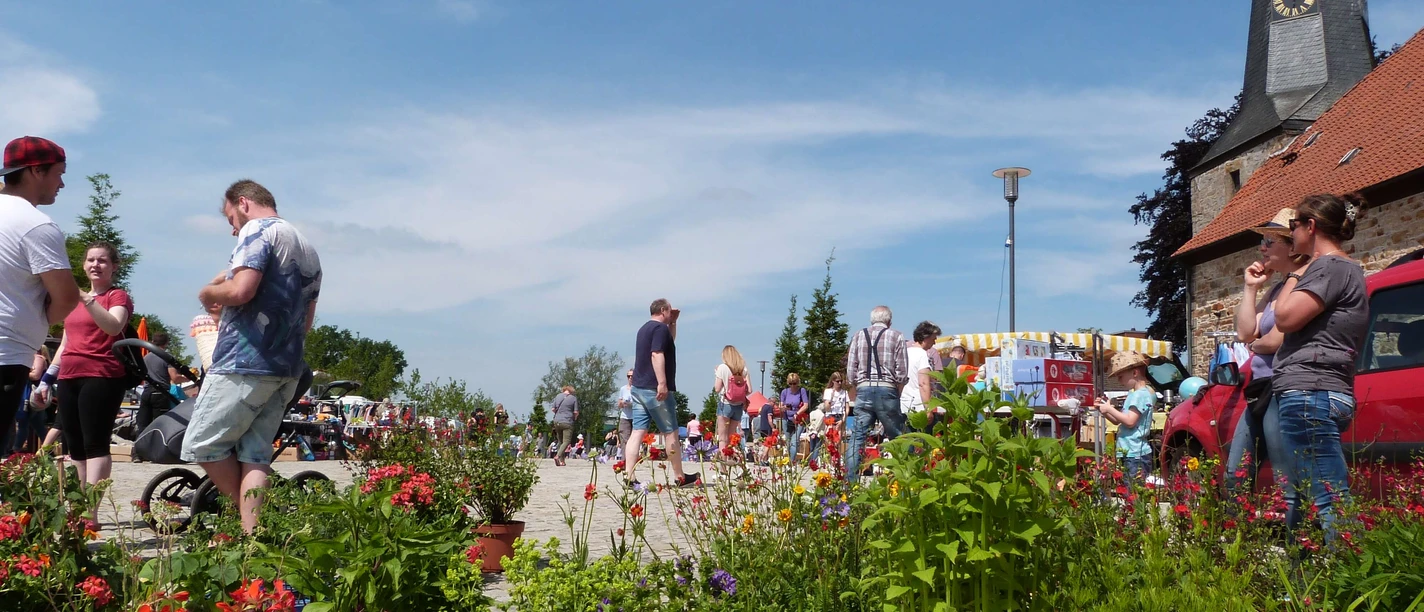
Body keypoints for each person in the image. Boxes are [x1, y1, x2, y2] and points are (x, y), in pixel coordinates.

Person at [180, 179, 322, 534]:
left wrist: (208, 292)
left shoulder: (258, 229)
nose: (233, 229)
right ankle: (254, 537)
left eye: (231, 218)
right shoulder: (308, 248)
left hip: (243, 364)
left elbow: (241, 291)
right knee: (255, 455)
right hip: (286, 366)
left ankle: (248, 520)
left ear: (243, 203)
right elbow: (306, 323)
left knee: (203, 444)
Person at [1272, 193, 1369, 539]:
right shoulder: (1348, 269)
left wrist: (1295, 274)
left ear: (1310, 227)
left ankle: (1349, 584)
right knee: (1325, 493)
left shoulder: (1328, 267)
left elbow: (1284, 317)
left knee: (1330, 499)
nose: (1291, 232)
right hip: (1328, 390)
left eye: (1294, 225)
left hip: (1310, 390)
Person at [0, 136, 81, 456]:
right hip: (6, 354)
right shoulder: (36, 225)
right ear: (36, 171)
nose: (61, 183)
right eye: (59, 173)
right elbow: (66, 298)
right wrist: (35, 320)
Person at [34, 242, 133, 487]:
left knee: (95, 443)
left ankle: (92, 510)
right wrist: (47, 379)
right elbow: (67, 342)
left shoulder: (116, 296)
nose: (95, 265)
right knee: (74, 444)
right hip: (68, 376)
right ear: (84, 265)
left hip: (101, 375)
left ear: (114, 267)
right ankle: (80, 504)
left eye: (102, 261)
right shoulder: (73, 302)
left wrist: (87, 299)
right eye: (91, 260)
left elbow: (113, 326)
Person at [1225, 209, 1308, 492]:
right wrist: (1250, 289)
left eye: (1270, 241)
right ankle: (1240, 534)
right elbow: (1245, 332)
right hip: (1261, 389)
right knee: (1236, 474)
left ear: (1292, 246)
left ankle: (1297, 536)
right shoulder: (1277, 290)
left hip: (1282, 389)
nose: (1262, 247)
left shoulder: (1304, 285)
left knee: (1287, 478)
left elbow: (1272, 341)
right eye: (1263, 241)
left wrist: (1255, 345)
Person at [622, 299, 699, 487]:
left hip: (638, 388)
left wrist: (673, 322)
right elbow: (657, 353)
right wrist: (662, 383)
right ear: (663, 310)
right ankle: (679, 476)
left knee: (638, 431)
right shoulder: (659, 329)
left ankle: (628, 475)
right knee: (670, 432)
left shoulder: (645, 329)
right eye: (669, 310)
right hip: (653, 388)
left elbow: (668, 343)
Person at [844, 306, 908, 479]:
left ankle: (850, 485)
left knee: (857, 437)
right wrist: (897, 389)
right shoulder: (897, 336)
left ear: (872, 319)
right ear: (889, 321)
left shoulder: (858, 335)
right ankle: (906, 480)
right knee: (898, 436)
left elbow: (850, 371)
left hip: (864, 389)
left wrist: (857, 386)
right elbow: (902, 371)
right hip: (887, 388)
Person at [1094, 351, 1156, 484]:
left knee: (1133, 493)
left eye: (1121, 376)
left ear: (1135, 373)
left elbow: (1129, 421)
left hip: (1136, 453)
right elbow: (1118, 420)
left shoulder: (1140, 395)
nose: (1119, 381)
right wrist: (1104, 410)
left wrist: (1110, 409)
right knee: (1130, 491)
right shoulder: (1133, 394)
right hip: (1129, 452)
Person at [902, 321, 942, 432]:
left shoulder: (905, 353)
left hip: (903, 404)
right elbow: (923, 383)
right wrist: (928, 409)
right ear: (926, 337)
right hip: (918, 405)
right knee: (924, 441)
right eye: (934, 338)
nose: (934, 342)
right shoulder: (922, 355)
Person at [712, 345, 751, 459]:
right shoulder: (743, 369)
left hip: (725, 404)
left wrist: (716, 374)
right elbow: (749, 390)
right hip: (738, 406)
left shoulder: (722, 368)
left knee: (723, 438)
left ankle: (724, 467)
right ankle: (733, 459)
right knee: (730, 437)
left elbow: (717, 389)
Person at [137, 332, 181, 432]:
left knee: (143, 423)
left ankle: (140, 444)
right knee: (159, 424)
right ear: (166, 343)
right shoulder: (167, 357)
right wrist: (189, 378)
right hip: (160, 392)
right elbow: (175, 378)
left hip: (146, 392)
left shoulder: (146, 357)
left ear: (153, 342)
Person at [780, 373, 811, 464]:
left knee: (794, 441)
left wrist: (797, 413)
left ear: (798, 383)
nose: (793, 386)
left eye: (794, 383)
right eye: (790, 383)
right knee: (788, 442)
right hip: (786, 418)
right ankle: (790, 459)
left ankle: (791, 462)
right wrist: (784, 407)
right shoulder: (784, 392)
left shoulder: (802, 391)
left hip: (798, 419)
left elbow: (806, 405)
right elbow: (780, 406)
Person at [821, 372, 849, 458]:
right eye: (837, 381)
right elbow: (827, 408)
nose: (840, 383)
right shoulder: (828, 391)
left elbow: (847, 408)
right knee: (829, 440)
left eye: (841, 381)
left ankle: (836, 461)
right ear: (833, 381)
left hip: (840, 416)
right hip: (830, 415)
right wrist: (832, 397)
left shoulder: (844, 392)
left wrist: (843, 420)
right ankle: (830, 460)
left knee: (838, 440)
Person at [550, 385, 578, 466]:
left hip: (557, 421)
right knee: (566, 441)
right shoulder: (573, 398)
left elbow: (553, 409)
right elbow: (576, 412)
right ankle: (558, 456)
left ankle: (562, 461)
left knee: (560, 442)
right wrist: (575, 418)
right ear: (571, 391)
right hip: (567, 421)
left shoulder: (558, 396)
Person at [616, 369, 635, 459]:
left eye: (632, 376)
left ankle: (634, 459)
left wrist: (632, 403)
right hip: (625, 417)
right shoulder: (623, 389)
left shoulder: (638, 389)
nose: (630, 378)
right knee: (624, 439)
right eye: (628, 376)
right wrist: (622, 403)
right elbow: (619, 403)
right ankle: (625, 460)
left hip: (636, 416)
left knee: (635, 440)